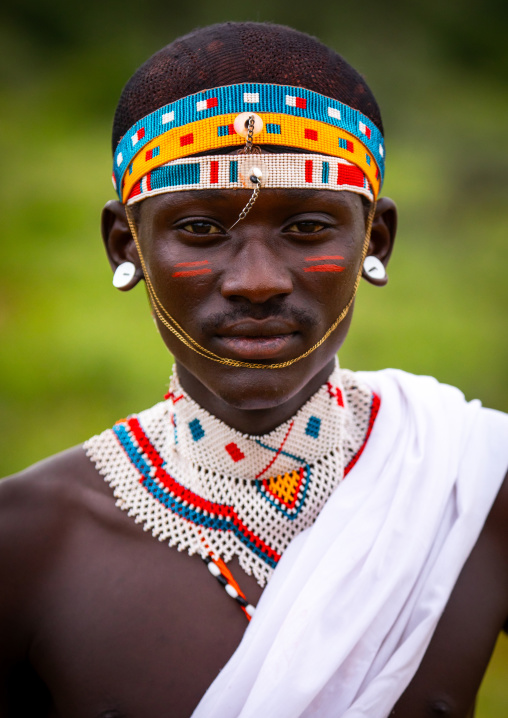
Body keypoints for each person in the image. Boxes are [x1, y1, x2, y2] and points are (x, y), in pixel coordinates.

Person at [1, 21, 507, 718]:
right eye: (202, 230)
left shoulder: (472, 489)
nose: (258, 281)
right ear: (126, 244)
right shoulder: (26, 541)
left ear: (375, 238)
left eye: (306, 227)